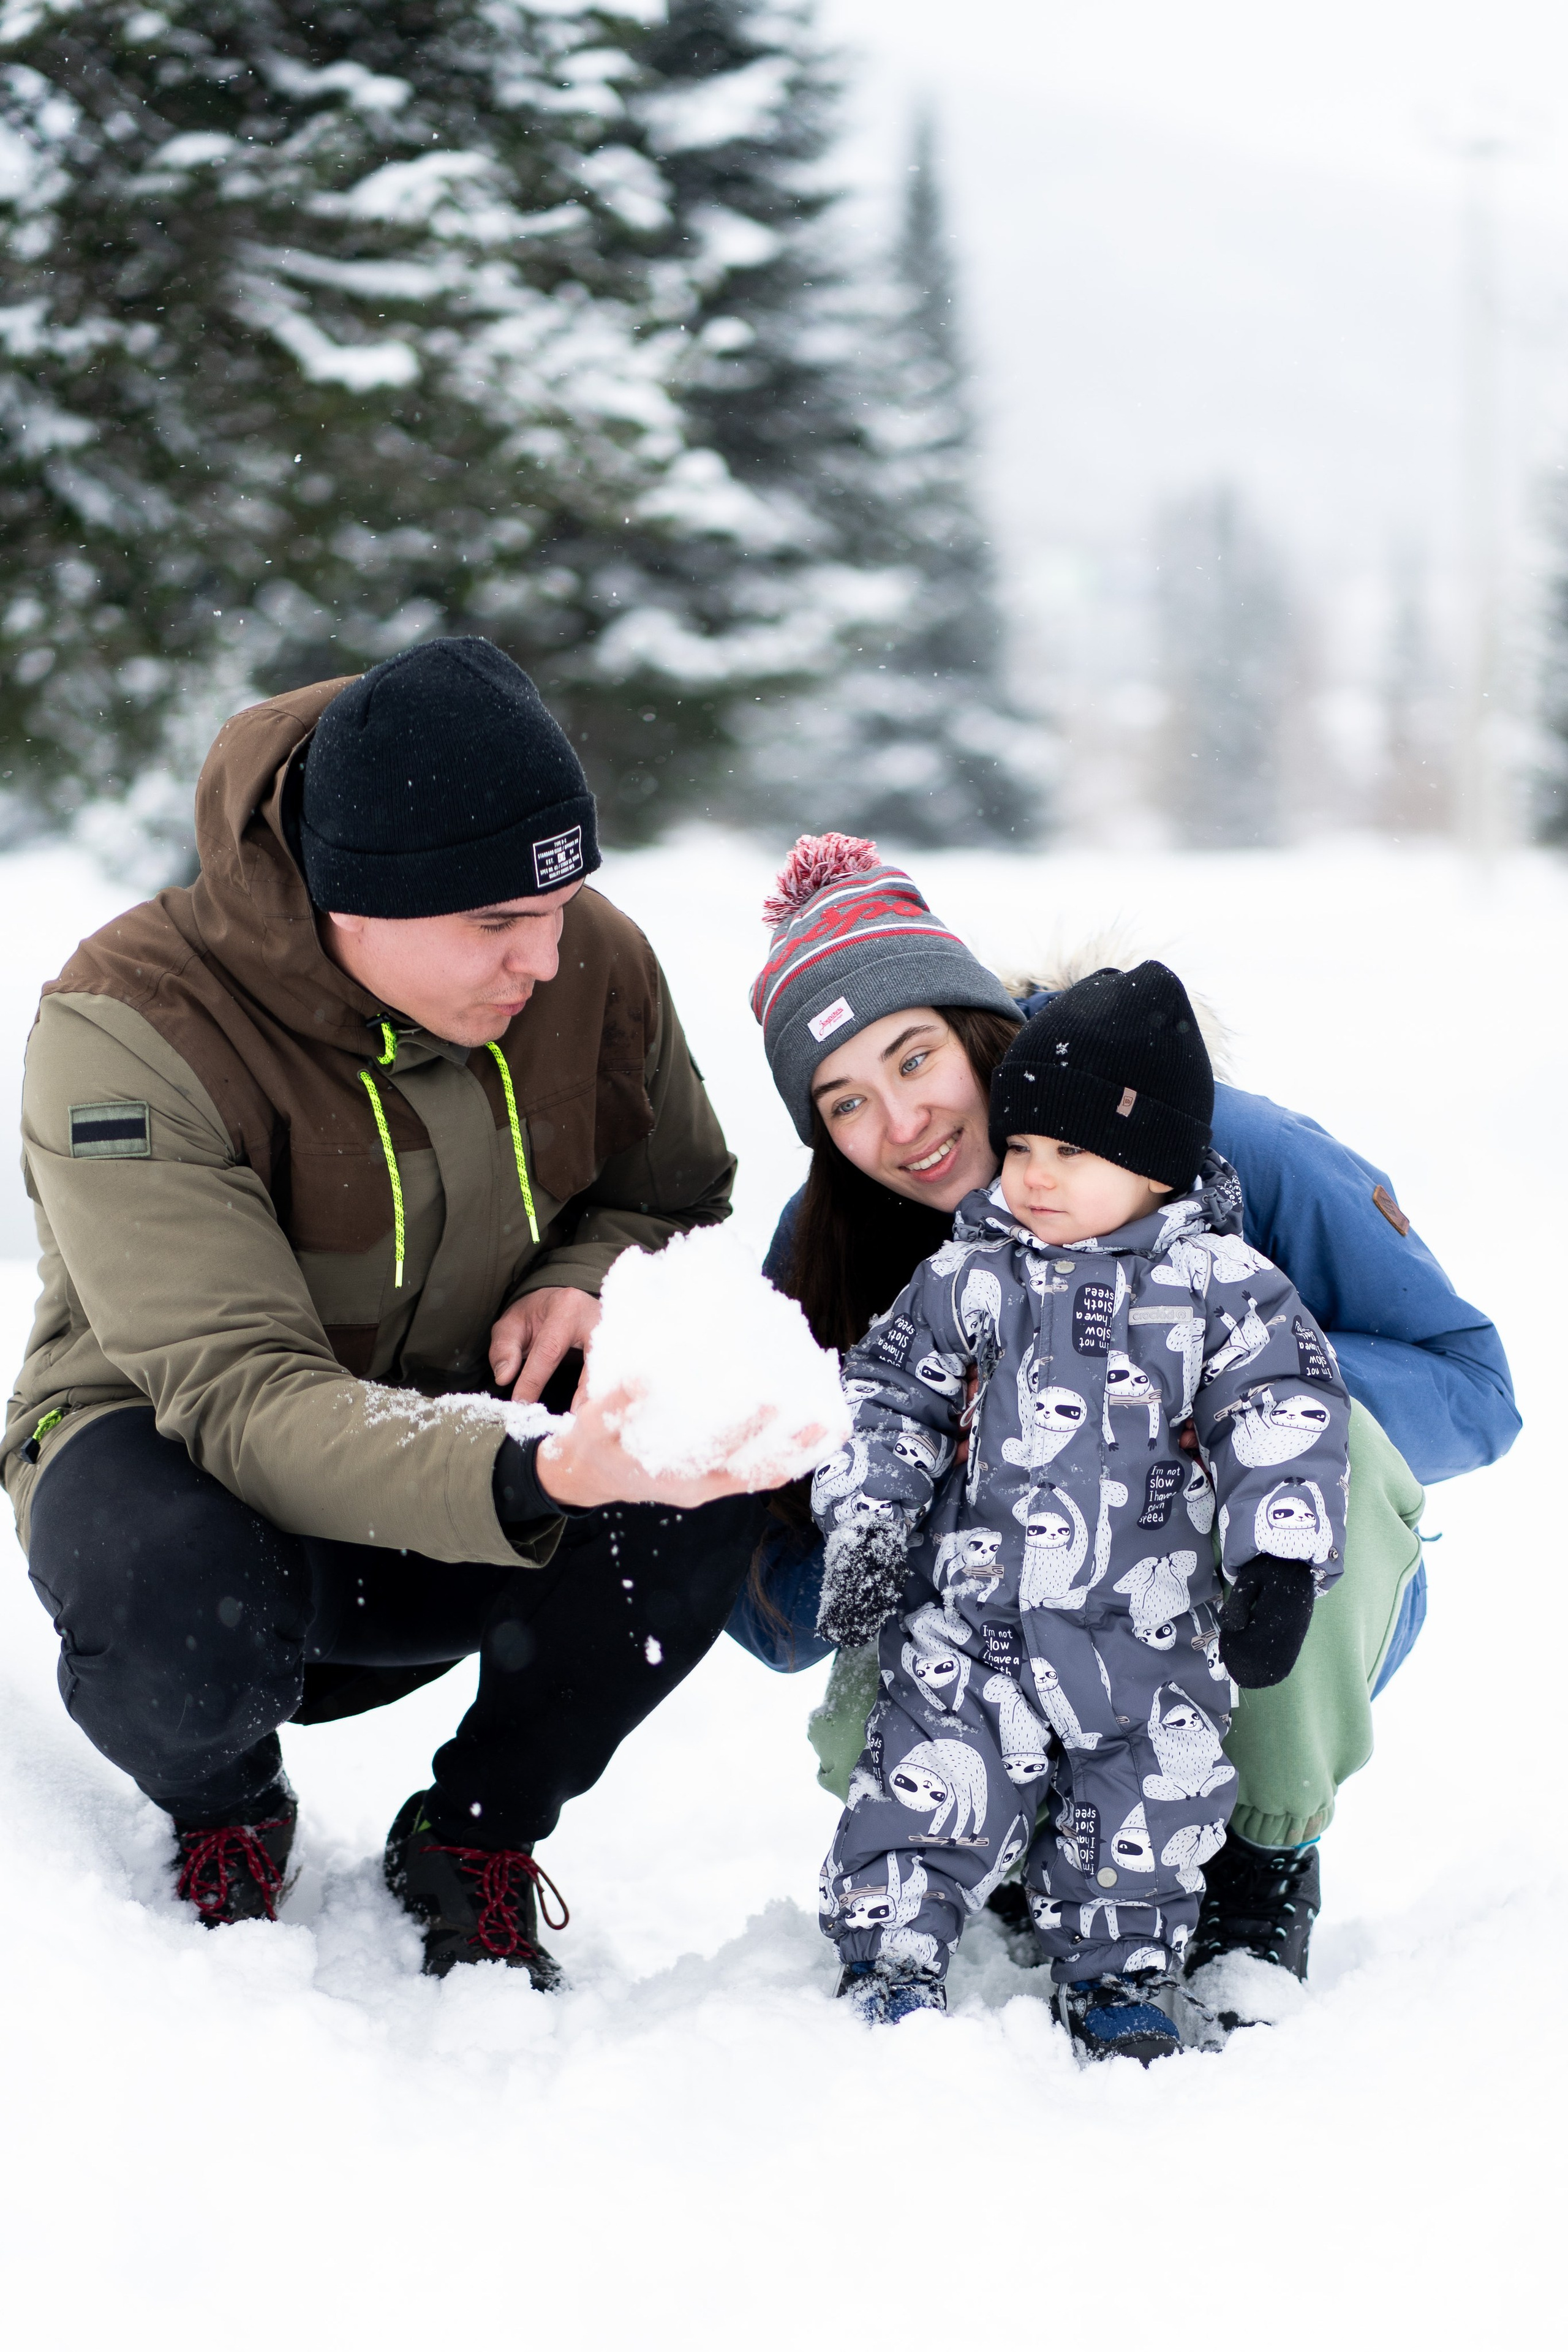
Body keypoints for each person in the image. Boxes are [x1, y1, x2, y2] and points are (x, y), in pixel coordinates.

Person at [7, 637, 778, 1981]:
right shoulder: (129, 1026)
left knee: (700, 1467)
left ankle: (476, 1833)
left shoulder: (582, 955)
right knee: (170, 1595)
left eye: (561, 907)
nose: (545, 957)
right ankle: (226, 1809)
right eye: (494, 925)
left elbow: (684, 1200)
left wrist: (586, 1273)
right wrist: (534, 1468)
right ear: (348, 904)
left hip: (474, 1450)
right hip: (192, 1464)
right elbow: (237, 1390)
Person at [729, 832, 1519, 2000]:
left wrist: (1202, 1401)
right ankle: (969, 1840)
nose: (901, 1124)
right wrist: (864, 1517)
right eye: (846, 1102)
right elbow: (776, 1603)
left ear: (979, 1029)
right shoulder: (835, 1239)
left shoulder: (1220, 1149)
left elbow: (1473, 1385)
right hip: (988, 1638)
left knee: (1315, 1442)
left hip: (1235, 1613)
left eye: (916, 1058)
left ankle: (1261, 1852)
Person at [812, 962, 1352, 2059]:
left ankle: (1123, 1975)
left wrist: (1280, 1562)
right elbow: (887, 1398)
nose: (1034, 1179)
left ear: (1154, 1168)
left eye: (1072, 1154)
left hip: (1148, 1632)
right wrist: (871, 1519)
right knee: (921, 1789)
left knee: (1146, 1816)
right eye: (1018, 1151)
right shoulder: (968, 1277)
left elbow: (1284, 1413)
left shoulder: (1226, 1289)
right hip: (979, 1626)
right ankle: (891, 1955)